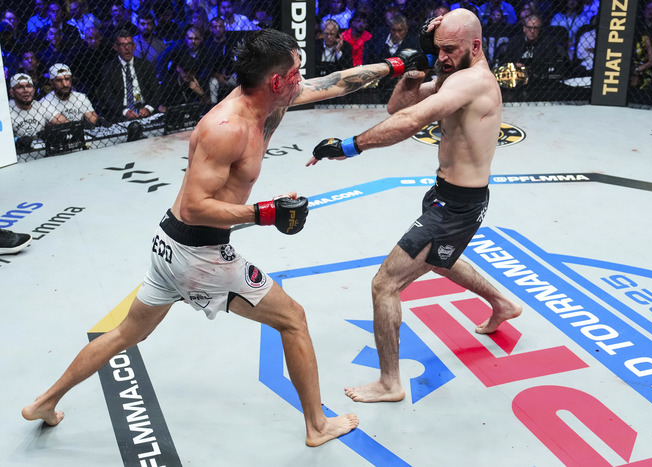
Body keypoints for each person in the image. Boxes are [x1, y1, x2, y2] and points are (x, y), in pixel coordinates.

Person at [21, 27, 424, 447]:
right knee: (293, 320)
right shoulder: (227, 127)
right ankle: (317, 426)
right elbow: (196, 206)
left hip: (171, 246)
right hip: (199, 255)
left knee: (127, 333)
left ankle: (44, 402)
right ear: (276, 81)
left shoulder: (271, 99)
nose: (303, 79)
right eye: (296, 72)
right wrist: (265, 213)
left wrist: (393, 66)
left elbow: (332, 84)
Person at [306, 9, 522, 403]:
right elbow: (398, 105)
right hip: (445, 194)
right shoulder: (452, 76)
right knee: (439, 260)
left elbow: (410, 121)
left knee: (385, 285)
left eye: (449, 49)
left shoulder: (472, 82)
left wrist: (350, 146)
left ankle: (390, 383)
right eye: (438, 49)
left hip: (456, 207)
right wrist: (416, 68)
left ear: (475, 46)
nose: (443, 57)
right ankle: (502, 302)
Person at [99, 30, 161, 121]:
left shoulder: (145, 65)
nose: (127, 48)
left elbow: (156, 91)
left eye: (129, 44)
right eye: (123, 45)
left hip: (144, 108)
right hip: (121, 113)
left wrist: (148, 108)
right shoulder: (108, 69)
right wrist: (125, 111)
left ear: (134, 46)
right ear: (116, 47)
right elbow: (108, 97)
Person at [8, 72, 68, 150]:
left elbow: (65, 123)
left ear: (34, 90)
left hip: (42, 150)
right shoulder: (6, 110)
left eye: (29, 86)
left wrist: (51, 132)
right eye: (20, 87)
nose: (25, 90)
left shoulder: (40, 105)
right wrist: (16, 140)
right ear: (12, 92)